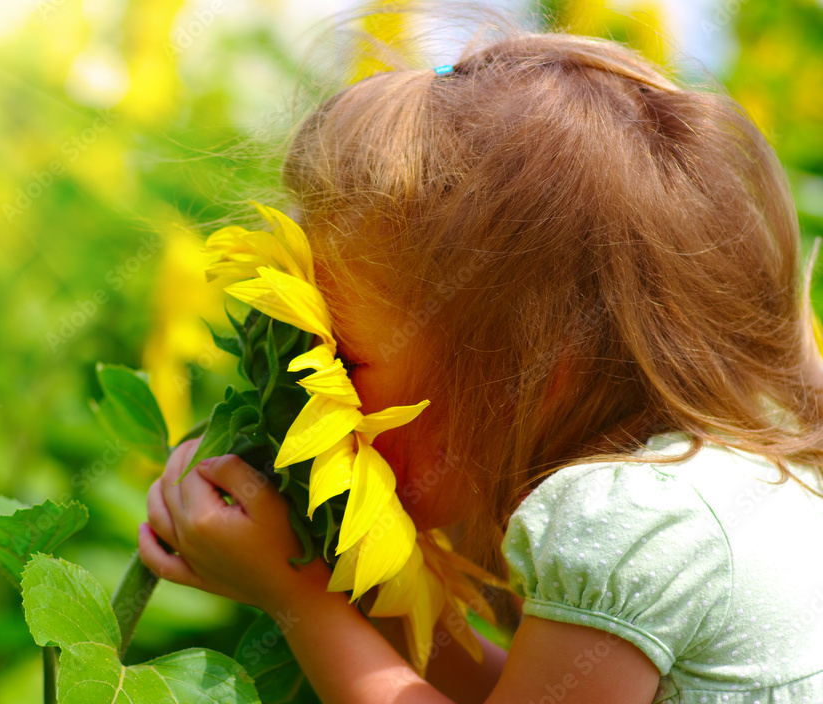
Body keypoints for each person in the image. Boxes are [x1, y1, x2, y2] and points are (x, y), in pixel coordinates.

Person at [137, 20, 823, 704]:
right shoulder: (723, 486)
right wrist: (341, 577)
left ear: (524, 372)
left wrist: (297, 597)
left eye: (346, 360)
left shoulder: (628, 520)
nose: (321, 400)